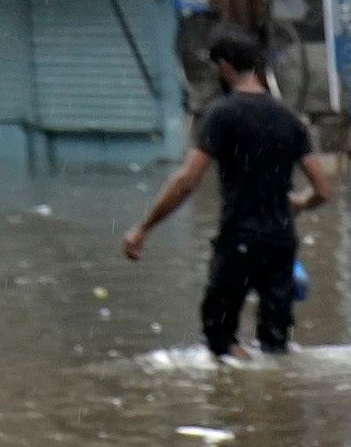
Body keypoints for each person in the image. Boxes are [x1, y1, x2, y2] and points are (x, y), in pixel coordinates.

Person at [121, 32, 331, 361]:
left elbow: (186, 182)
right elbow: (322, 189)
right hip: (281, 242)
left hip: (240, 239)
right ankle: (278, 403)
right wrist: (298, 202)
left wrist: (143, 228)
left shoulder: (222, 114)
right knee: (276, 344)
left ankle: (233, 405)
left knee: (219, 338)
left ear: (224, 68)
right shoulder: (290, 118)